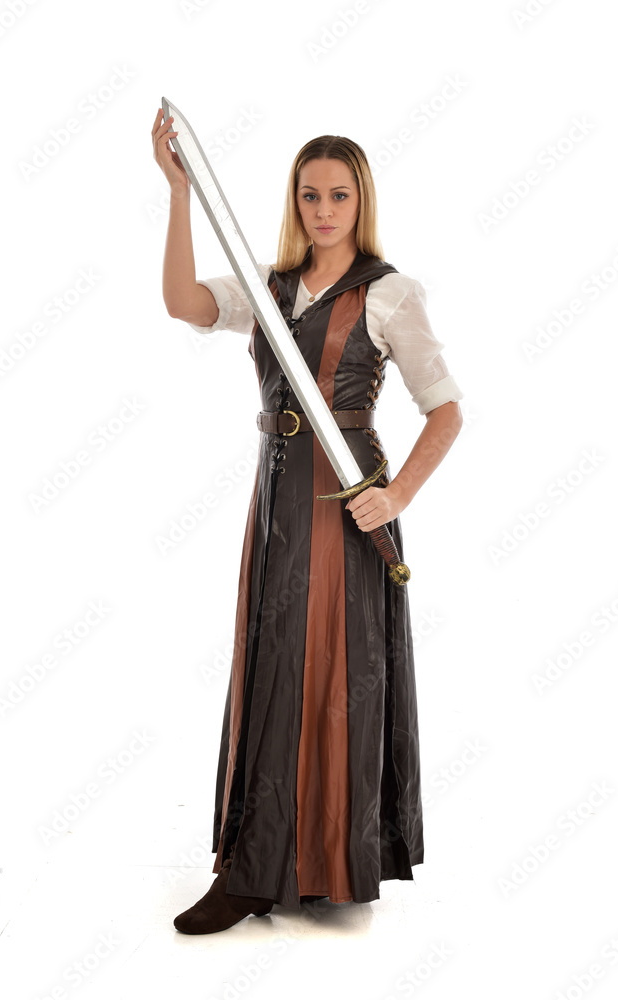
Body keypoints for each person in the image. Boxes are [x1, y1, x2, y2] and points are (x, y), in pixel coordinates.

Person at [152, 107, 464, 934]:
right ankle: (260, 865)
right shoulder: (269, 287)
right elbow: (184, 301)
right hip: (278, 490)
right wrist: (179, 193)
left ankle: (324, 861)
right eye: (309, 195)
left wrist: (395, 498)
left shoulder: (392, 294)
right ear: (295, 203)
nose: (323, 210)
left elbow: (447, 415)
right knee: (275, 657)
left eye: (338, 195)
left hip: (348, 497)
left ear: (360, 202)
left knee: (332, 670)